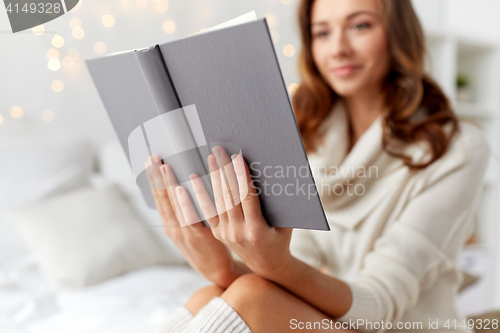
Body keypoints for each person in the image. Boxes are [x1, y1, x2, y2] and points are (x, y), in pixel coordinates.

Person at [151, 0, 491, 332]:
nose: (338, 49)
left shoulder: (458, 150)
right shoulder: (308, 135)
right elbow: (296, 278)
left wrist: (275, 265)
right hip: (336, 318)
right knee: (208, 296)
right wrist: (224, 268)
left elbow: (379, 307)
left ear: (399, 34)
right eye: (322, 32)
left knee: (250, 297)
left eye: (360, 25)